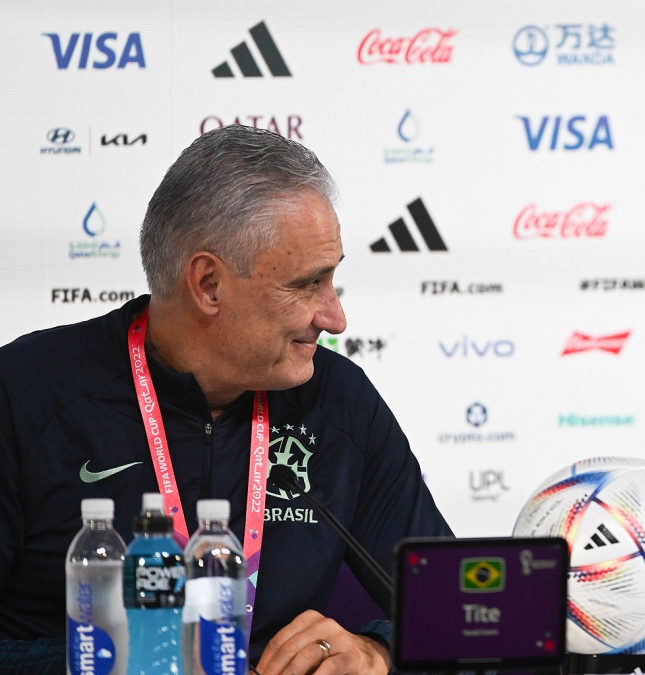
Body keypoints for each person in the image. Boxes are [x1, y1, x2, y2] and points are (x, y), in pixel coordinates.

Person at [0, 125, 451, 674]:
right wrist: (132, 659)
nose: (334, 318)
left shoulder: (340, 402)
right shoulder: (23, 394)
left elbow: (456, 618)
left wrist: (377, 649)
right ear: (209, 284)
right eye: (308, 284)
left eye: (332, 281)